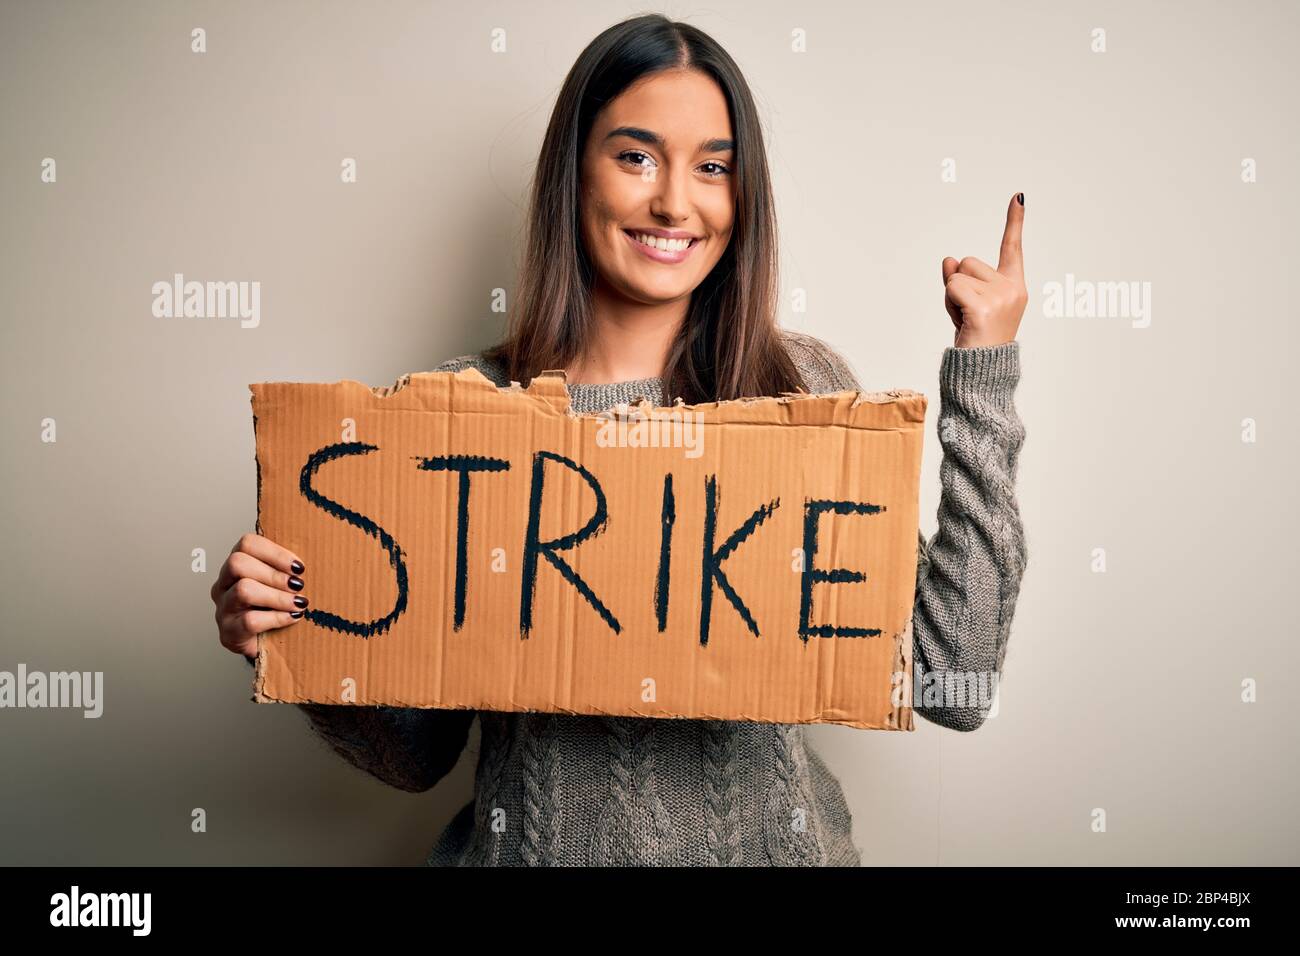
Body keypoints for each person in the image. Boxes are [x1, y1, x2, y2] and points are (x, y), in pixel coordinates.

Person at [211, 13, 1028, 866]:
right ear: (575, 173)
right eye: (636, 156)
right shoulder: (462, 409)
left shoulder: (802, 391)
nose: (676, 201)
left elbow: (951, 678)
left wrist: (985, 371)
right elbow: (417, 758)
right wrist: (293, 630)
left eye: (713, 167)